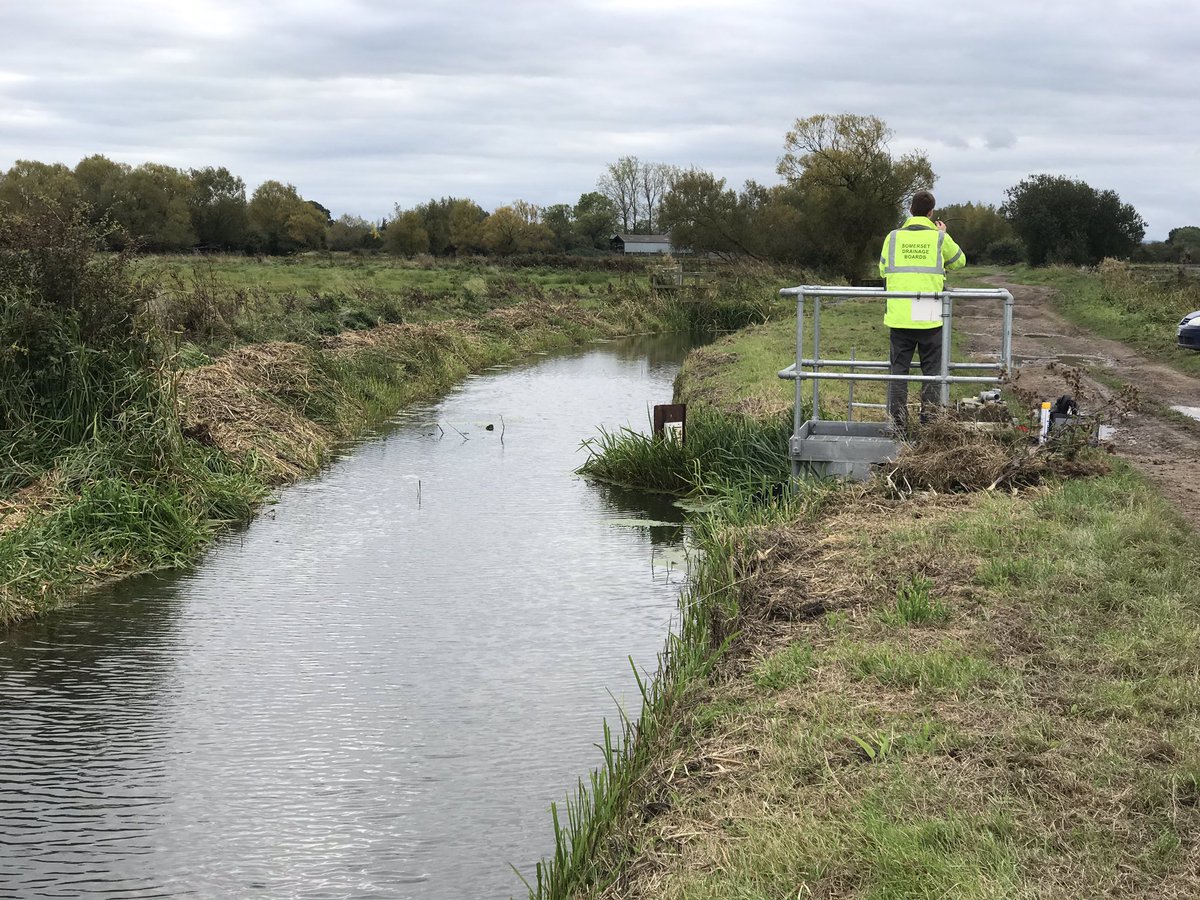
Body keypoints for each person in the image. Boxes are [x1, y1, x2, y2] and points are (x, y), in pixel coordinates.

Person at [878, 190, 966, 431]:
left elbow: (882, 270)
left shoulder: (892, 237)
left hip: (899, 312)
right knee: (932, 372)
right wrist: (943, 235)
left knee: (898, 372)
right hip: (928, 310)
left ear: (910, 210)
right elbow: (960, 261)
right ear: (931, 213)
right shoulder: (938, 238)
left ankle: (897, 425)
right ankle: (929, 425)